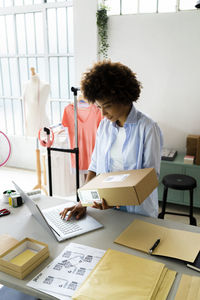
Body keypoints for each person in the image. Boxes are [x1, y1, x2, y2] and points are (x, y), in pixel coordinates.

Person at [60, 60, 163, 221]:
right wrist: (83, 202)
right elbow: (94, 167)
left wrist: (115, 200)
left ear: (123, 97)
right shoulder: (104, 127)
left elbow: (150, 179)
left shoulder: (148, 128)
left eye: (107, 106)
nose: (103, 114)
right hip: (106, 208)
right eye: (99, 107)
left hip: (138, 212)